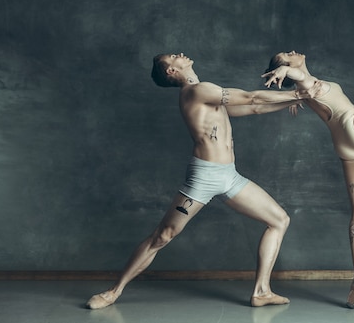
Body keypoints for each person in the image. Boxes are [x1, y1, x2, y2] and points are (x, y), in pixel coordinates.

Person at [86, 52, 306, 309]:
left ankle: (262, 291)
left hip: (229, 176)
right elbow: (252, 96)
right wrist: (302, 94)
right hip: (205, 176)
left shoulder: (207, 95)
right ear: (171, 71)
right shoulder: (195, 91)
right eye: (173, 57)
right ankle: (114, 292)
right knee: (163, 236)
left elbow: (254, 107)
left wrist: (290, 101)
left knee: (279, 220)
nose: (180, 54)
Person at [262, 0, 354, 308]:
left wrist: (291, 86)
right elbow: (301, 80)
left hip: (349, 150)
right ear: (289, 66)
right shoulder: (309, 84)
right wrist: (284, 69)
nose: (293, 52)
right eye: (288, 55)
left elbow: (302, 87)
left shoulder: (307, 89)